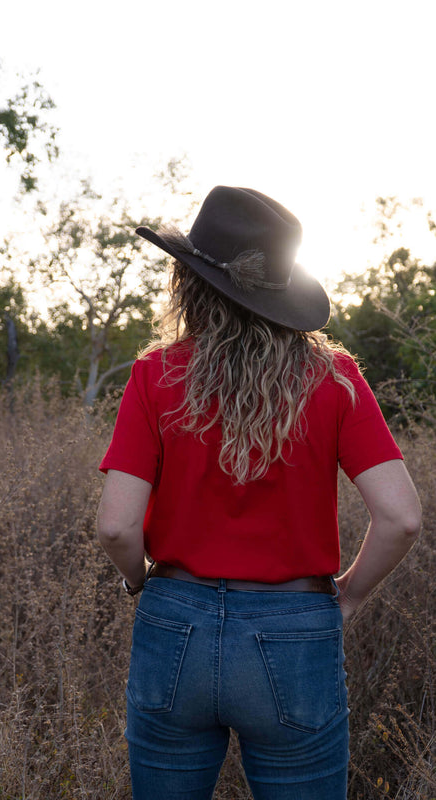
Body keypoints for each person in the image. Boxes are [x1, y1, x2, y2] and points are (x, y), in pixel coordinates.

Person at [96, 186, 422, 800]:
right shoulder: (335, 378)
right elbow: (401, 518)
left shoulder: (155, 374)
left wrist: (141, 582)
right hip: (295, 628)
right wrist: (349, 596)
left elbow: (116, 526)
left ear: (189, 284)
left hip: (175, 620)